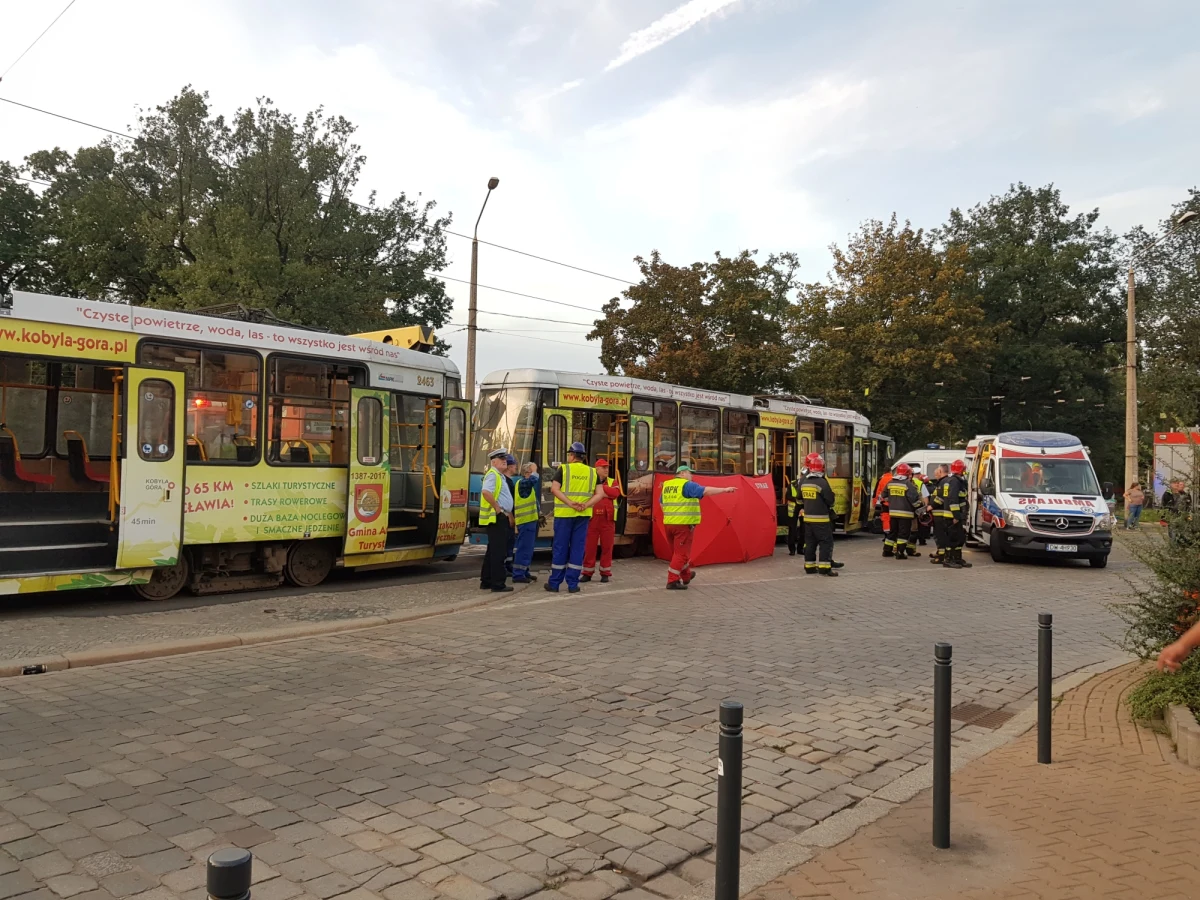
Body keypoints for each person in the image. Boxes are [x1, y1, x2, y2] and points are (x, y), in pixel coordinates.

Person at [661, 464, 737, 590]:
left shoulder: (667, 486)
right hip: (683, 525)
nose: (692, 476)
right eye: (690, 473)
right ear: (682, 473)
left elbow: (661, 503)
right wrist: (725, 490)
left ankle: (686, 576)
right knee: (681, 555)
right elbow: (705, 491)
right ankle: (672, 581)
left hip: (669, 524)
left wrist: (671, 515)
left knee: (678, 553)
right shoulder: (687, 485)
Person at [545, 442, 607, 594]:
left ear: (572, 456)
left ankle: (555, 583)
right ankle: (573, 584)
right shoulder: (593, 472)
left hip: (564, 515)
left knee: (560, 548)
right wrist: (586, 505)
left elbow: (554, 489)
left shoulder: (563, 469)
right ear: (584, 457)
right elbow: (600, 494)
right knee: (578, 549)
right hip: (583, 516)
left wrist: (569, 503)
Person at [478, 448, 515, 592]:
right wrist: (498, 509)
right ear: (494, 462)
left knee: (492, 551)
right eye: (501, 459)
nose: (505, 460)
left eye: (505, 458)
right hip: (497, 517)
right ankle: (498, 584)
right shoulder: (493, 475)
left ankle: (486, 581)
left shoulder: (498, 475)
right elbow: (486, 492)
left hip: (499, 517)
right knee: (499, 552)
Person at [800, 453, 842, 577]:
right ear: (822, 468)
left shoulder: (804, 481)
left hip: (807, 519)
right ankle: (824, 568)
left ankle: (809, 567)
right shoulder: (822, 483)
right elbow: (830, 500)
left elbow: (798, 498)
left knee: (810, 543)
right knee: (826, 542)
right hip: (821, 519)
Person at [581, 457, 622, 583]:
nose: (606, 469)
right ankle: (587, 572)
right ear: (596, 469)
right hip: (592, 519)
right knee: (590, 547)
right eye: (603, 467)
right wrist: (605, 493)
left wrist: (600, 491)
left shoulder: (612, 481)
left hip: (607, 519)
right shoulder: (591, 480)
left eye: (607, 467)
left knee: (607, 547)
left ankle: (605, 573)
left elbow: (616, 493)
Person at [882, 463, 925, 560]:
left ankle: (886, 550)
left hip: (893, 512)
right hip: (905, 514)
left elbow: (883, 496)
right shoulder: (908, 484)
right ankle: (900, 552)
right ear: (907, 473)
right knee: (903, 534)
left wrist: (892, 501)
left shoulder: (890, 482)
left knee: (892, 532)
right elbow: (915, 500)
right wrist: (920, 509)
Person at [511, 462, 540, 583]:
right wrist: (534, 472)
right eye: (533, 471)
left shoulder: (525, 485)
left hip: (530, 521)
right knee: (524, 548)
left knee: (528, 548)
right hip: (526, 521)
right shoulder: (523, 483)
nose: (536, 473)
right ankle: (518, 574)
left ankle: (525, 571)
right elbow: (534, 479)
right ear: (527, 473)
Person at [942, 459, 973, 569]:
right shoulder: (954, 481)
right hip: (952, 516)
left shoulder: (954, 480)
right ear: (961, 470)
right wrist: (956, 515)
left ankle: (957, 558)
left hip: (957, 515)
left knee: (959, 538)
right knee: (952, 539)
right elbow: (953, 499)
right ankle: (948, 559)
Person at [929, 464, 950, 565]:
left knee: (940, 536)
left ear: (941, 472)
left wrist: (931, 506)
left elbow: (940, 498)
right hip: (939, 515)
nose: (935, 474)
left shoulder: (943, 482)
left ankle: (941, 557)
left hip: (940, 515)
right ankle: (941, 553)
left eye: (936, 472)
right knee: (939, 535)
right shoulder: (943, 482)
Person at [872, 460, 895, 553]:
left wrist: (875, 503)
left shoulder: (881, 479)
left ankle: (886, 536)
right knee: (893, 520)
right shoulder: (893, 479)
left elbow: (877, 492)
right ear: (890, 471)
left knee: (885, 519)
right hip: (894, 503)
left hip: (884, 503)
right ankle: (892, 536)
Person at [504, 454, 519, 576]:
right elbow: (507, 501)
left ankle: (508, 565)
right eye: (514, 465)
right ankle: (505, 566)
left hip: (509, 515)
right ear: (509, 467)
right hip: (507, 516)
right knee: (507, 542)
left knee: (510, 542)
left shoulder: (508, 481)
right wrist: (510, 516)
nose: (516, 468)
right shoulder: (506, 482)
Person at [786, 475, 805, 557]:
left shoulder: (807, 484)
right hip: (793, 509)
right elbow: (788, 496)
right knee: (792, 529)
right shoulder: (792, 484)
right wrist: (797, 500)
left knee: (803, 530)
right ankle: (792, 549)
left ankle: (800, 548)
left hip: (803, 509)